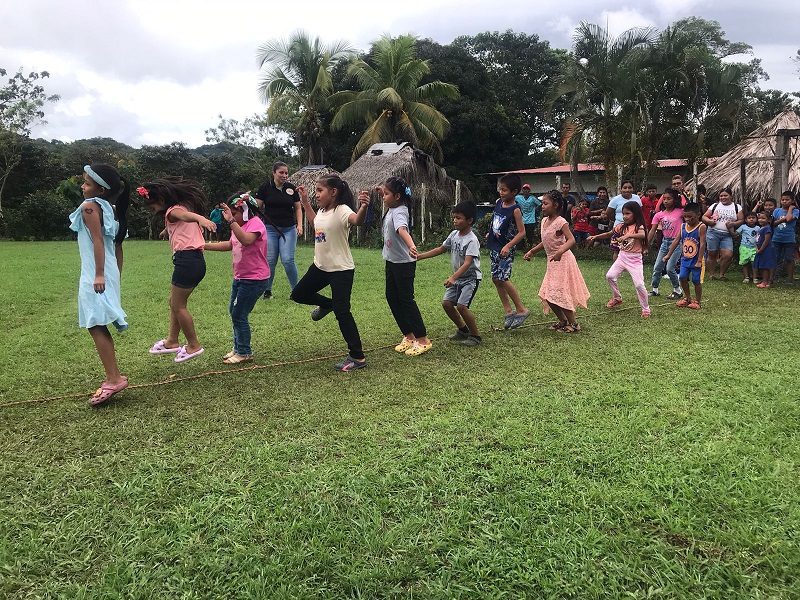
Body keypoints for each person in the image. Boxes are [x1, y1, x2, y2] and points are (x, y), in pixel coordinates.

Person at [290, 174, 369, 372]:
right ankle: (328, 305)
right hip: (320, 267)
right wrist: (305, 202)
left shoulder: (342, 210)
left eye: (320, 190)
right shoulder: (322, 210)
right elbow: (315, 223)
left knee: (343, 312)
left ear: (333, 192)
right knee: (298, 294)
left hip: (340, 270)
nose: (317, 194)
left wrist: (363, 207)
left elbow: (357, 220)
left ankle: (357, 356)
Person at [70, 164, 130, 406]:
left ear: (101, 190)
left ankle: (114, 378)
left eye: (87, 183)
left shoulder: (90, 207)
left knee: (95, 323)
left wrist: (99, 275)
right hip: (107, 270)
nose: (83, 186)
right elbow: (118, 246)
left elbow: (97, 241)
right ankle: (113, 376)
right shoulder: (110, 209)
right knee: (96, 322)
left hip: (96, 272)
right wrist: (115, 275)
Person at [139, 177, 216, 363]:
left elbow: (184, 216)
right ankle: (171, 341)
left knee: (178, 305)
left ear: (161, 200)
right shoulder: (181, 207)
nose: (153, 210)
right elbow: (183, 222)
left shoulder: (174, 210)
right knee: (174, 302)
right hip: (194, 261)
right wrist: (167, 231)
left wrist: (200, 218)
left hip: (187, 261)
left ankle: (193, 345)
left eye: (152, 206)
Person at [204, 193, 270, 364]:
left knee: (239, 314)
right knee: (235, 313)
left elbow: (246, 240)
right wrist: (204, 246)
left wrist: (231, 221)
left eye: (234, 213)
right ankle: (238, 347)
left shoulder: (256, 224)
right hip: (241, 278)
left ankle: (244, 352)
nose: (231, 217)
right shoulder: (238, 225)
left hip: (255, 279)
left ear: (246, 210)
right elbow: (230, 244)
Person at [524, 190, 590, 333]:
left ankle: (574, 324)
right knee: (548, 294)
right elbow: (545, 241)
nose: (542, 206)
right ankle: (563, 321)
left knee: (560, 293)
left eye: (545, 203)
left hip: (564, 261)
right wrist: (532, 251)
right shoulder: (544, 221)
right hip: (552, 262)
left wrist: (560, 251)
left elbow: (571, 240)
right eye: (542, 203)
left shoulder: (561, 222)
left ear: (556, 205)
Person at [417, 202, 482, 347]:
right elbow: (440, 249)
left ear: (469, 220)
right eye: (454, 217)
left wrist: (453, 277)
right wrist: (421, 256)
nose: (454, 220)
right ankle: (463, 330)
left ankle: (475, 336)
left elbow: (467, 263)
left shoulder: (472, 240)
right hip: (457, 278)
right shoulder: (454, 235)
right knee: (446, 304)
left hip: (470, 279)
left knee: (462, 307)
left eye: (458, 218)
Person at [380, 176, 432, 356]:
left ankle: (422, 340)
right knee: (392, 297)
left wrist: (411, 245)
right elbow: (388, 200)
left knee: (406, 300)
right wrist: (382, 192)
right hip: (392, 261)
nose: (383, 197)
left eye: (386, 194)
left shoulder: (400, 211)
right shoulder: (393, 207)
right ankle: (409, 336)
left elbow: (402, 229)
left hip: (403, 263)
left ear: (397, 196)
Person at [589, 201, 651, 318]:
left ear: (635, 214)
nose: (625, 216)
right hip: (622, 257)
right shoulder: (620, 226)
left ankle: (646, 309)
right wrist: (595, 236)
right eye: (623, 214)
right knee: (610, 276)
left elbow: (642, 235)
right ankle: (617, 298)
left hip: (635, 259)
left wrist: (628, 235)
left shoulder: (639, 226)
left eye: (628, 213)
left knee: (639, 285)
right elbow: (609, 233)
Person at [253, 161, 302, 299]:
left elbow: (298, 208)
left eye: (286, 173)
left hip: (289, 229)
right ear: (274, 173)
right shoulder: (265, 188)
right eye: (281, 172)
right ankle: (267, 291)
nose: (284, 175)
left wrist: (300, 225)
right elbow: (256, 208)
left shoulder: (291, 188)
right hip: (270, 229)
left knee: (287, 260)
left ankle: (297, 292)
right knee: (270, 260)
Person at [486, 174, 529, 329]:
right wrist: (490, 232)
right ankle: (508, 311)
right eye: (500, 189)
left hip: (505, 249)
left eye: (504, 190)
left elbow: (522, 232)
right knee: (496, 279)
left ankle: (521, 309)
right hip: (494, 246)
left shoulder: (515, 210)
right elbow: (495, 220)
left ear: (514, 192)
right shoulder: (499, 202)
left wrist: (508, 246)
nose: (501, 192)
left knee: (503, 278)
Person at [664, 202, 706, 309]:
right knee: (682, 277)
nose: (687, 219)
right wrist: (668, 255)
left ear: (698, 215)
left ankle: (697, 301)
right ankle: (687, 298)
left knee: (696, 280)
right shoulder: (683, 226)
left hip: (696, 260)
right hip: (685, 259)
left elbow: (702, 244)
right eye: (685, 216)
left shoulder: (701, 227)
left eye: (690, 216)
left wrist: (699, 260)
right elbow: (676, 241)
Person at [648, 188, 684, 299]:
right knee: (657, 267)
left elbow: (691, 211)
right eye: (664, 199)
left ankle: (677, 290)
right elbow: (652, 230)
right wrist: (646, 244)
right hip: (665, 242)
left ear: (675, 199)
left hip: (677, 242)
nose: (666, 201)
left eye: (669, 198)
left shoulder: (681, 212)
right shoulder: (659, 215)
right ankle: (654, 289)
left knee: (669, 268)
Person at [701, 187, 744, 280]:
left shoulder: (737, 207)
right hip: (713, 232)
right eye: (721, 196)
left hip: (727, 234)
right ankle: (712, 275)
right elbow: (704, 216)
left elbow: (741, 220)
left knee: (728, 255)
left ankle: (722, 274)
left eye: (725, 195)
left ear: (731, 196)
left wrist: (733, 224)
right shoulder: (715, 206)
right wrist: (709, 221)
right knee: (712, 254)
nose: (723, 197)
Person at [605, 180, 641, 259]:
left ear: (633, 189)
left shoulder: (637, 198)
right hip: (619, 227)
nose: (627, 190)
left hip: (634, 227)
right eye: (625, 188)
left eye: (630, 187)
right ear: (621, 189)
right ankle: (617, 266)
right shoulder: (615, 199)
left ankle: (630, 264)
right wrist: (616, 220)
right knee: (617, 249)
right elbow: (608, 213)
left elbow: (639, 212)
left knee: (632, 248)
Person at [771, 190, 798, 283]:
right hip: (776, 238)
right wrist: (782, 220)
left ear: (792, 201)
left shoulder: (796, 211)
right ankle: (773, 277)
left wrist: (790, 209)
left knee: (789, 259)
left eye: (787, 200)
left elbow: (789, 219)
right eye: (782, 200)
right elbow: (772, 224)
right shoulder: (776, 211)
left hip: (789, 239)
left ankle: (790, 279)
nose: (784, 201)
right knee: (775, 258)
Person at [753, 211, 777, 288]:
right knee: (762, 266)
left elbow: (766, 241)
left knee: (765, 266)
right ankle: (765, 281)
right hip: (760, 249)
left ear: (769, 220)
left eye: (763, 218)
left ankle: (765, 282)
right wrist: (757, 248)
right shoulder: (761, 228)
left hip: (766, 250)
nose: (760, 220)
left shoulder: (767, 228)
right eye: (759, 218)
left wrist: (761, 249)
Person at [734, 213, 760, 284]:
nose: (751, 219)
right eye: (749, 218)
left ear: (756, 219)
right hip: (744, 247)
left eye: (753, 218)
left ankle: (755, 277)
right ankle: (746, 277)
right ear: (745, 220)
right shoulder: (743, 227)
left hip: (755, 248)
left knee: (754, 263)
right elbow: (735, 234)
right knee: (744, 263)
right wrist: (730, 228)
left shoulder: (758, 228)